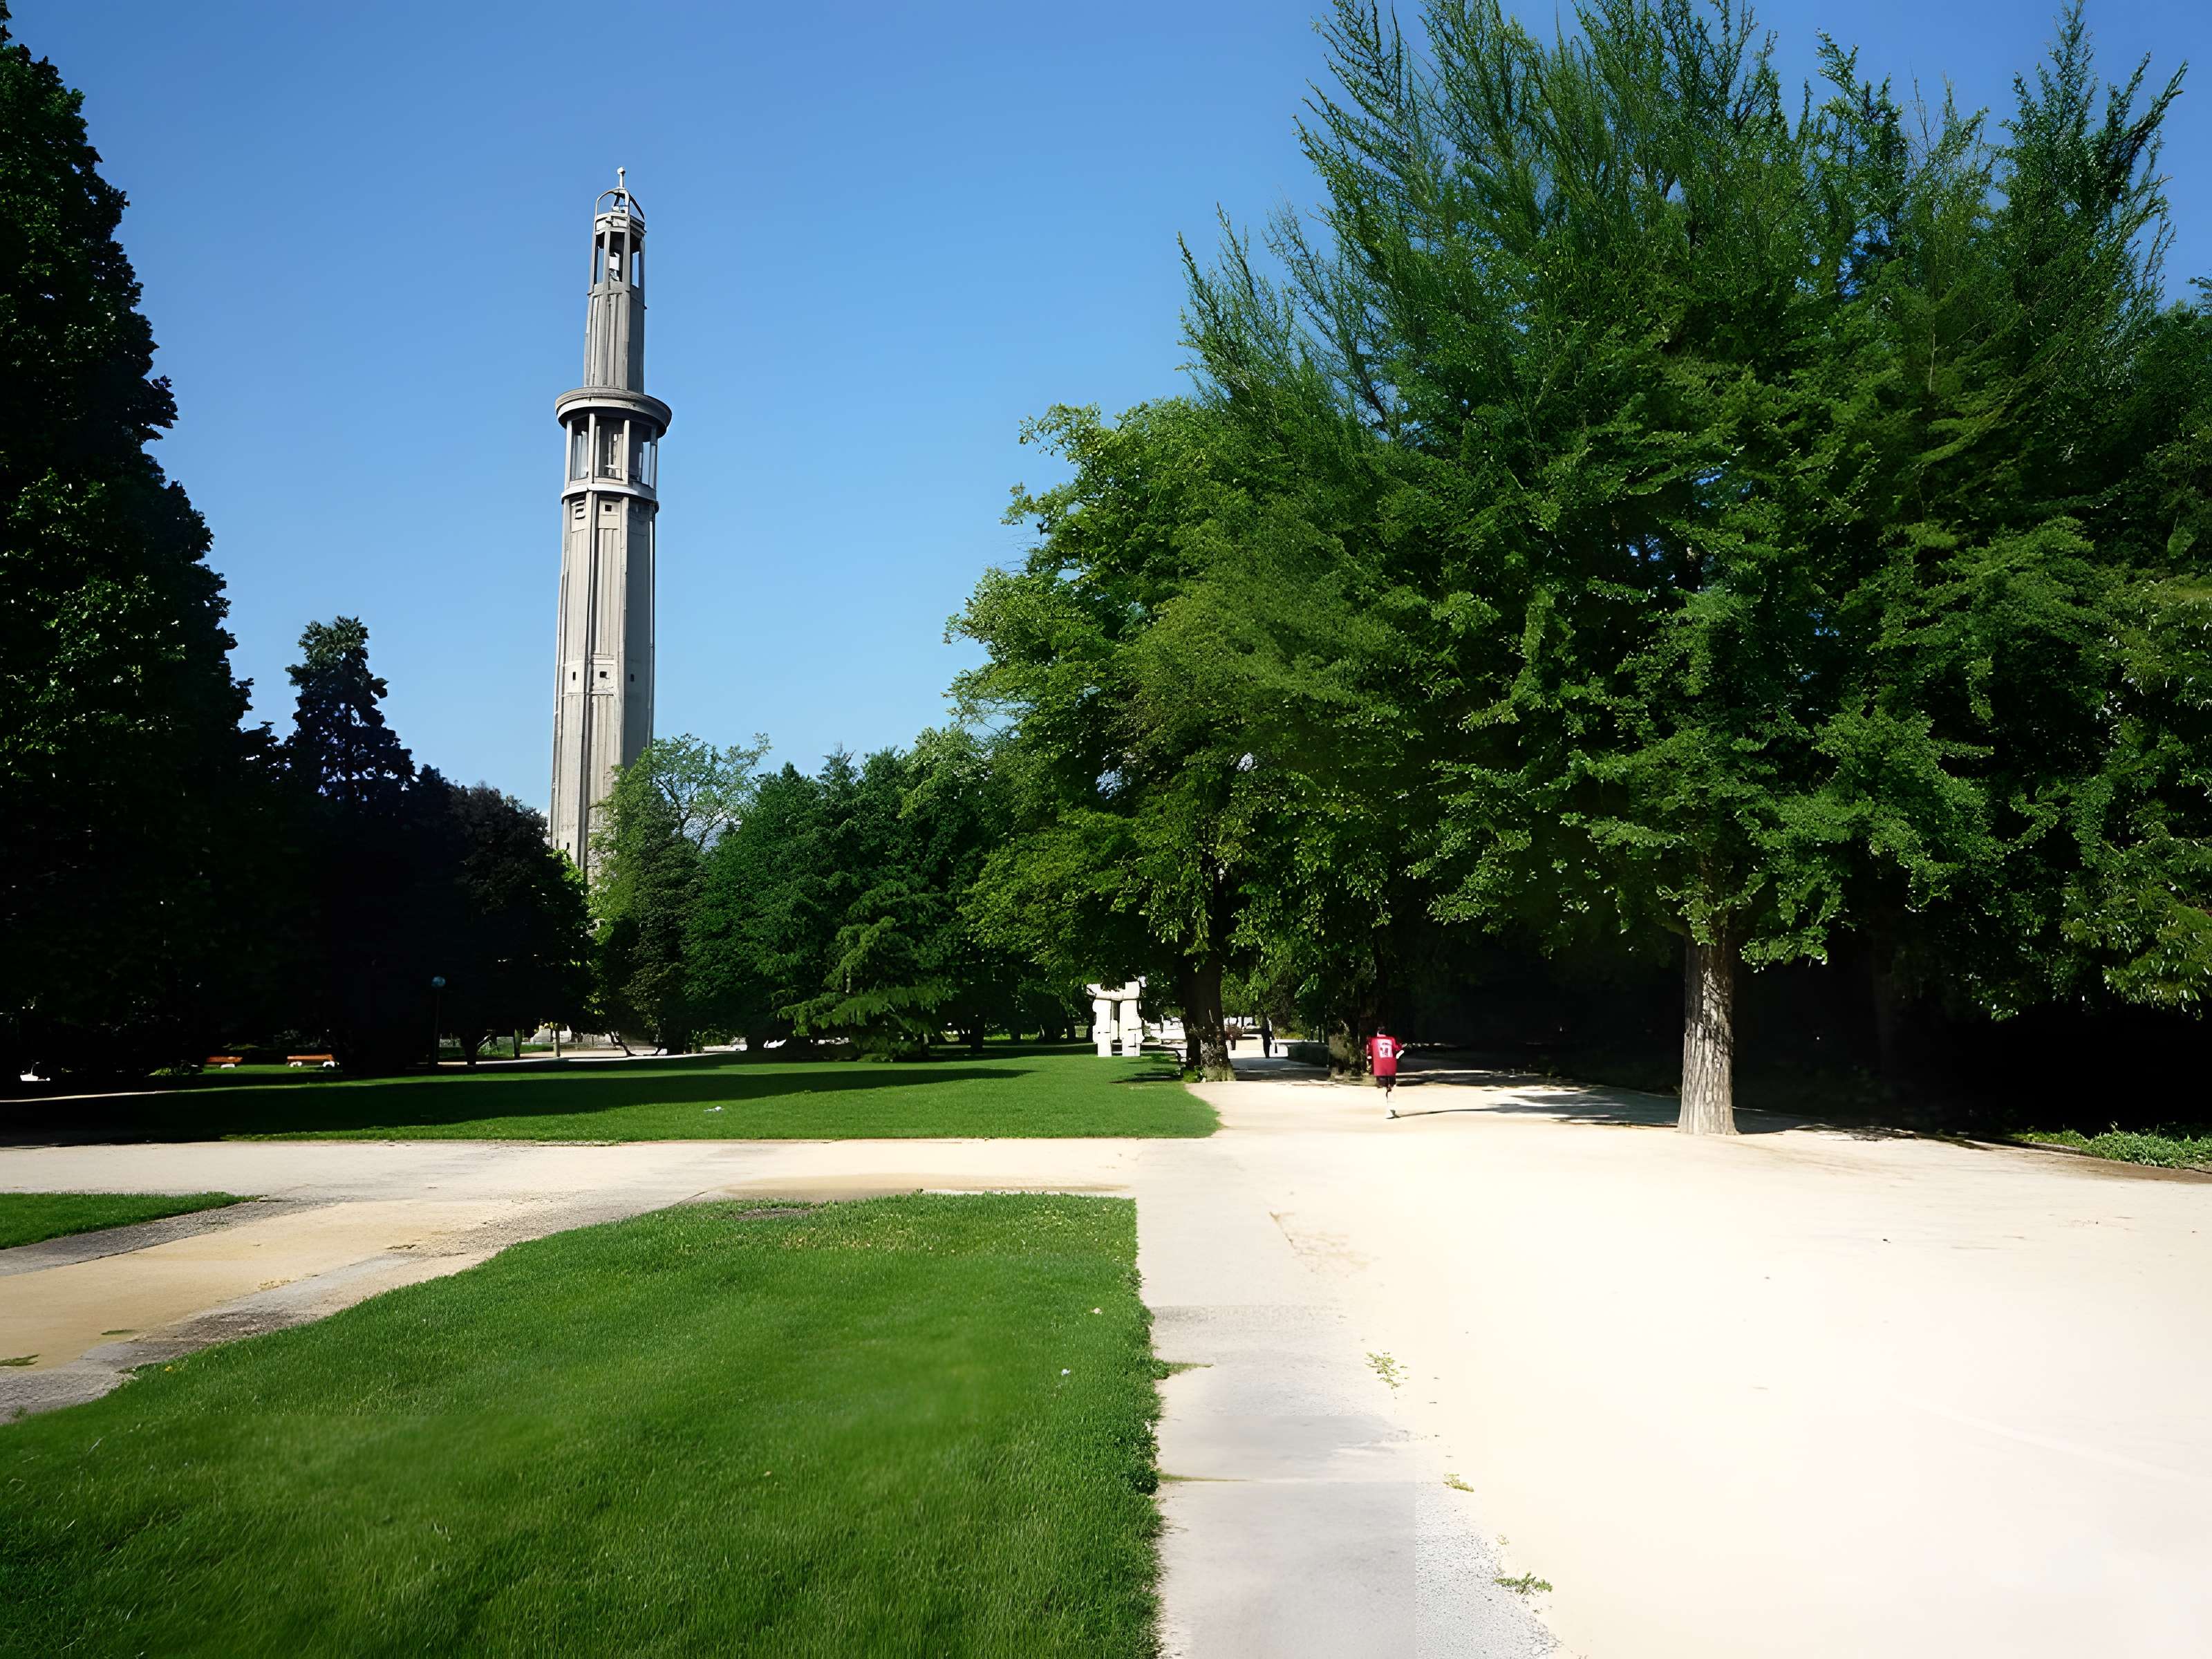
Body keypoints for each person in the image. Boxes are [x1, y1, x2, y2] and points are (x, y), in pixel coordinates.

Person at [1367, 1027, 1405, 1116]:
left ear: (1377, 1033)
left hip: (1380, 1068)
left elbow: (1369, 1053)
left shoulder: (1373, 1041)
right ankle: (1391, 1108)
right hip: (1391, 1067)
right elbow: (1400, 1049)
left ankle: (1388, 1109)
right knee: (1391, 1088)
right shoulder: (1391, 1039)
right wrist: (1397, 1056)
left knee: (1383, 1088)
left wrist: (1369, 1063)